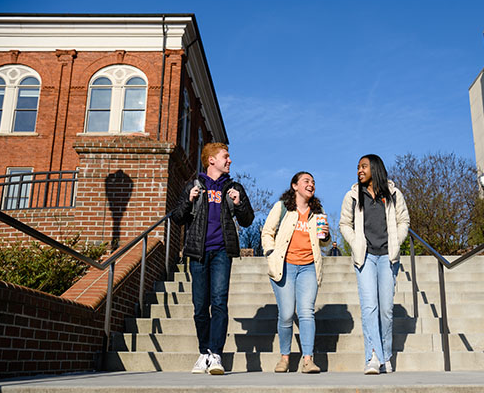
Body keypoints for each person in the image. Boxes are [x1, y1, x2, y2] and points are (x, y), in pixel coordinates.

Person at [172, 142, 254, 375]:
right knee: (200, 307)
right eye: (225, 157)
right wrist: (188, 200)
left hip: (221, 252)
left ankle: (216, 354)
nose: (230, 161)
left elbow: (248, 220)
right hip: (198, 252)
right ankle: (204, 353)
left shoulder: (234, 186)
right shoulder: (194, 185)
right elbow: (177, 217)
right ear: (211, 160)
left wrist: (238, 203)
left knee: (218, 303)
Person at [339, 154, 409, 375]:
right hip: (366, 257)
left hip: (388, 256)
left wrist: (396, 241)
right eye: (358, 167)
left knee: (386, 310)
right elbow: (344, 224)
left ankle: (385, 356)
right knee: (370, 308)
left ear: (375, 169)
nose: (359, 170)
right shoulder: (352, 196)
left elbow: (403, 220)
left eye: (364, 166)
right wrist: (355, 242)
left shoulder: (394, 194)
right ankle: (372, 356)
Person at [261, 171, 330, 373]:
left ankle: (308, 360)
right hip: (285, 266)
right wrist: (271, 253)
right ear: (295, 186)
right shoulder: (282, 208)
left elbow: (324, 242)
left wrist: (325, 235)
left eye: (313, 182)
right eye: (306, 181)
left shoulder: (317, 211)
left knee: (307, 312)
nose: (311, 185)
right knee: (286, 314)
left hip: (309, 266)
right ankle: (285, 358)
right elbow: (267, 231)